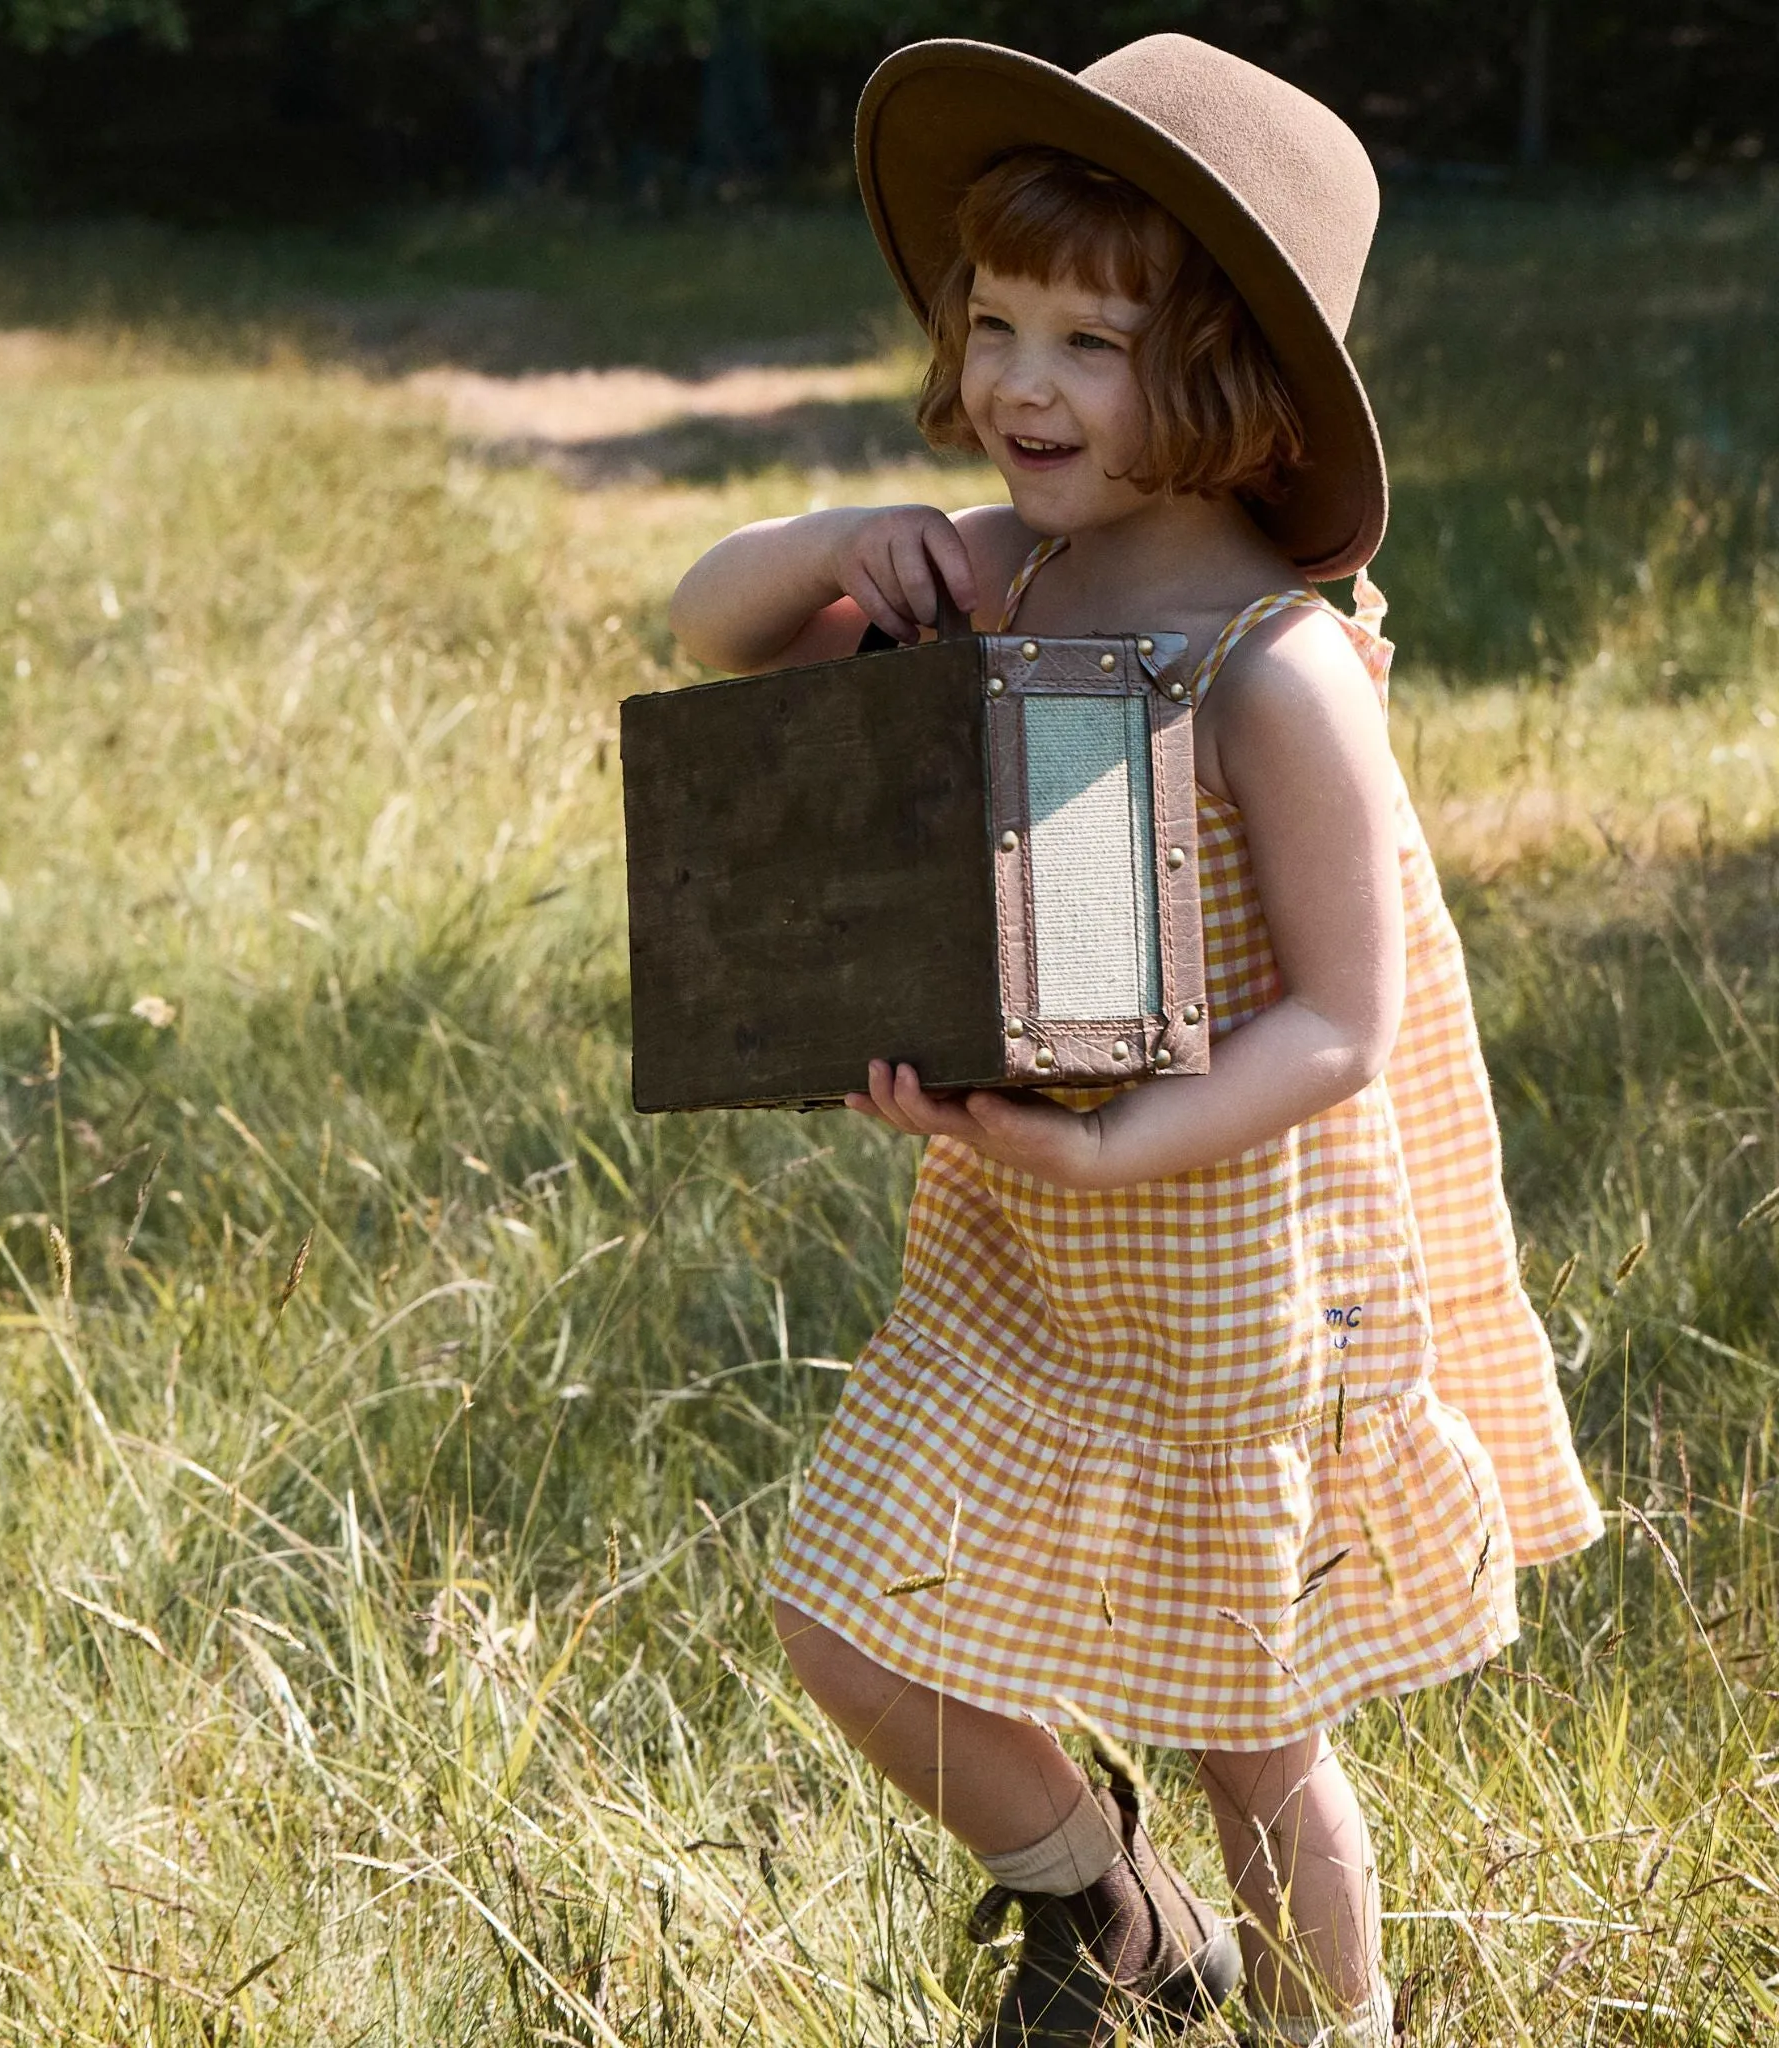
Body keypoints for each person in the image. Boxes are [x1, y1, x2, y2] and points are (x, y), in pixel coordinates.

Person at [668, 34, 1603, 2048]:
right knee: (848, 1619)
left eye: (1091, 343)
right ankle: (1103, 1908)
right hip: (1016, 1253)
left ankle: (1320, 2027)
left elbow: (1346, 1022)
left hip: (1223, 1267)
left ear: (1233, 383)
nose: (1018, 385)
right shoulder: (1000, 573)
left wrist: (1110, 1145)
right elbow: (709, 633)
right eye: (994, 324)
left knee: (1250, 1737)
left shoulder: (1277, 669)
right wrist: (844, 532)